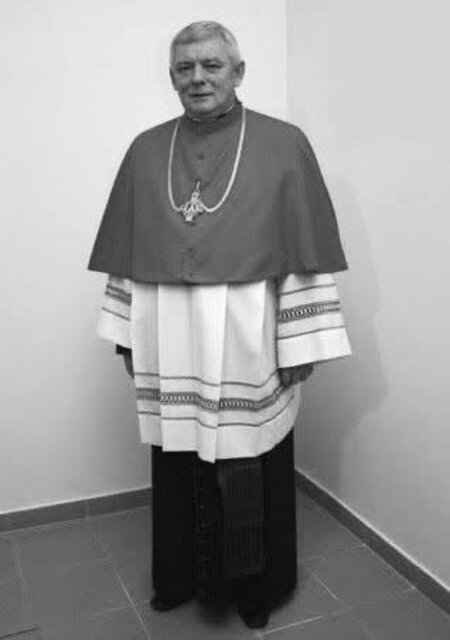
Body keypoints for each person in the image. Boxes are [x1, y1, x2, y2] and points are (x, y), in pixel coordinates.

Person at [87, 21, 351, 629]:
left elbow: (302, 249)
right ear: (171, 76)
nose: (198, 78)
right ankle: (179, 577)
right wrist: (127, 337)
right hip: (169, 337)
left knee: (248, 461)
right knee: (176, 458)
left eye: (211, 65)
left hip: (247, 340)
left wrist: (299, 343)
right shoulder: (146, 150)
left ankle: (255, 589)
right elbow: (128, 250)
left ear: (238, 71)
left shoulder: (283, 144)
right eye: (185, 68)